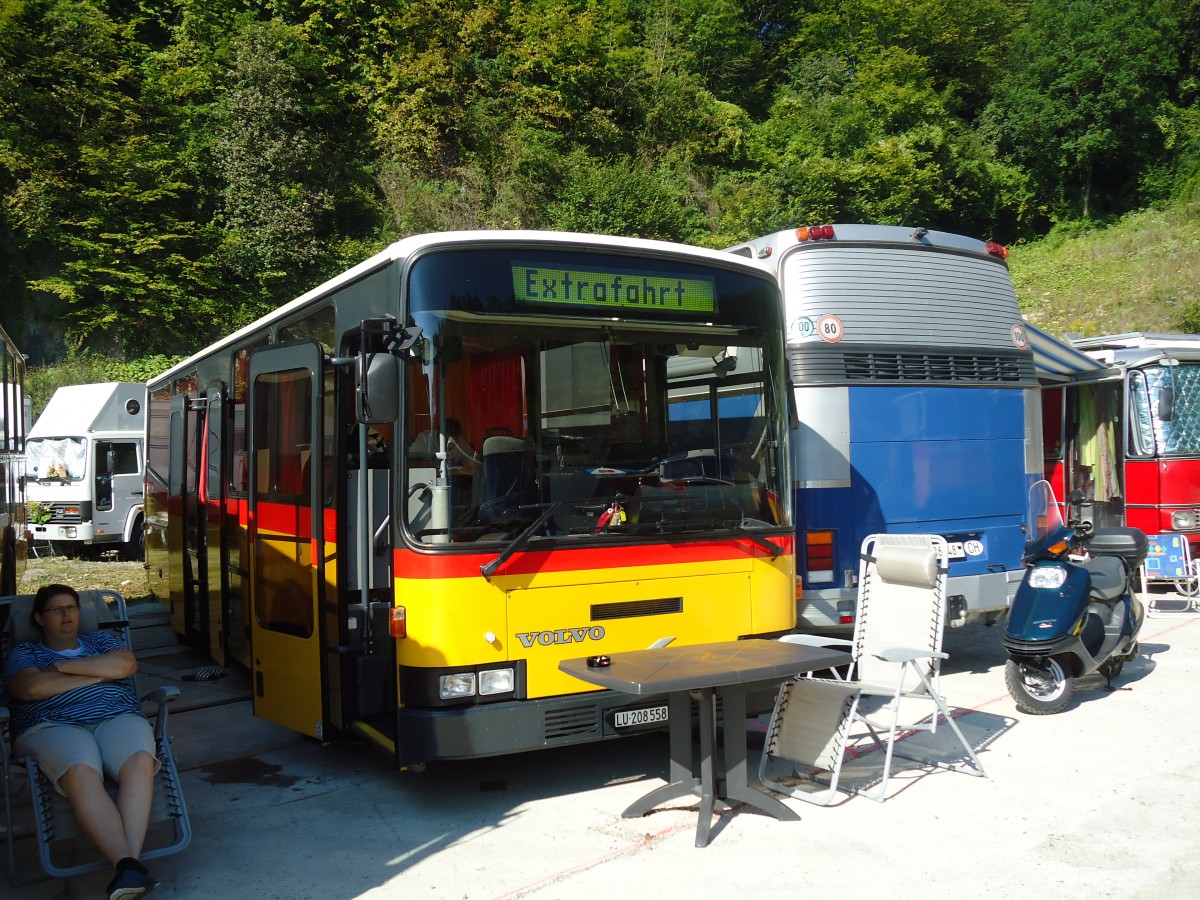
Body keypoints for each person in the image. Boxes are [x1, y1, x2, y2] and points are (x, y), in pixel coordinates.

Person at [2, 584, 160, 899]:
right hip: (52, 725)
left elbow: (125, 666)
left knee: (140, 761)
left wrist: (60, 668)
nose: (66, 615)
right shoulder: (26, 652)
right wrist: (99, 673)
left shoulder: (98, 640)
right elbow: (30, 689)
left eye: (72, 607)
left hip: (116, 717)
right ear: (39, 618)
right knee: (82, 772)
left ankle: (129, 868)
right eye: (56, 609)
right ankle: (128, 864)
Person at [410, 417, 479, 473]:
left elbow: (473, 461)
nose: (451, 447)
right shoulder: (425, 440)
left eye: (455, 443)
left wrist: (465, 465)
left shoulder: (459, 442)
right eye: (449, 442)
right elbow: (410, 460)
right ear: (443, 434)